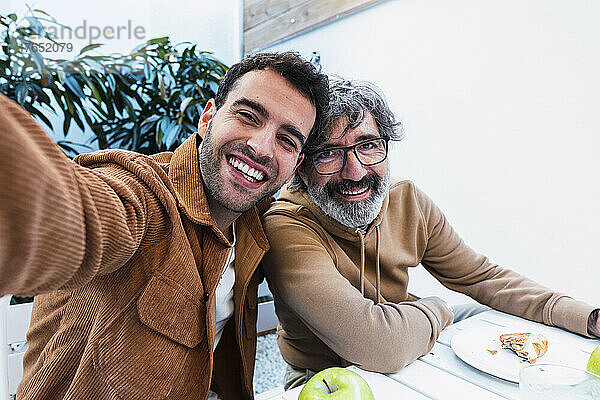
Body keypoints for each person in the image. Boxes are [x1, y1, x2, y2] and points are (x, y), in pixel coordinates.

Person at [0, 52, 329, 400]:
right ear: (207, 118)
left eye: (287, 140)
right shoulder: (142, 193)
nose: (261, 148)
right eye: (248, 116)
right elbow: (76, 214)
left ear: (296, 164)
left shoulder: (257, 224)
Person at [261, 77, 600, 389]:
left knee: (490, 318)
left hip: (409, 340)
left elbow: (482, 278)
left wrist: (587, 317)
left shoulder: (407, 200)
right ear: (302, 168)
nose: (355, 171)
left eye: (368, 145)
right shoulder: (286, 225)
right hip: (325, 378)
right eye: (329, 154)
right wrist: (438, 308)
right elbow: (379, 345)